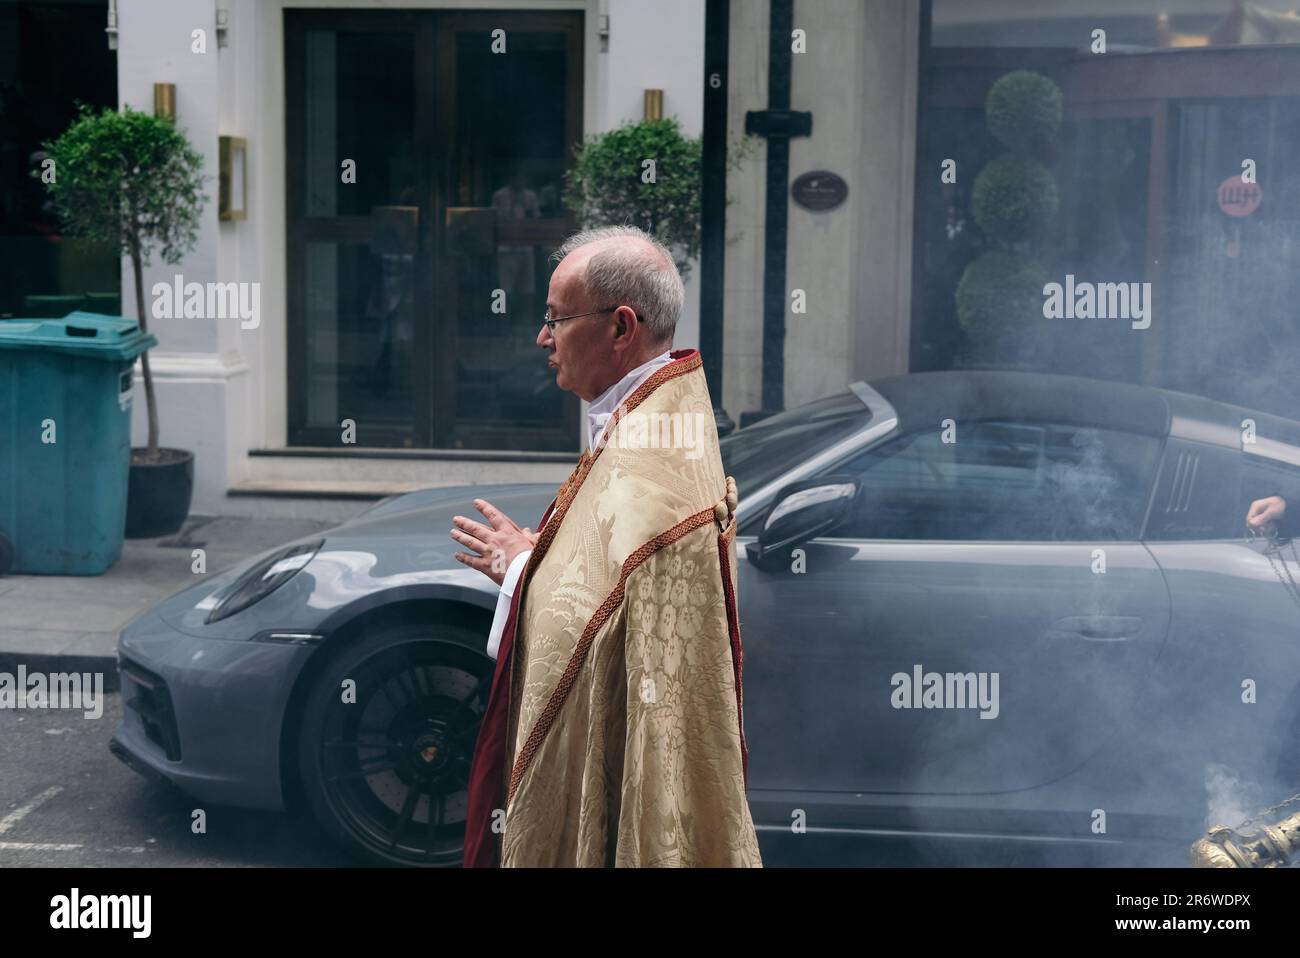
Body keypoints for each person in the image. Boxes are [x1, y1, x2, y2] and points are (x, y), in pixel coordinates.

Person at [450, 225, 762, 868]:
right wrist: (545, 555)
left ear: (621, 328)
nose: (543, 337)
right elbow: (605, 585)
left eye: (556, 319)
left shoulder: (653, 459)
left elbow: (590, 629)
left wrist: (520, 571)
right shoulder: (653, 419)